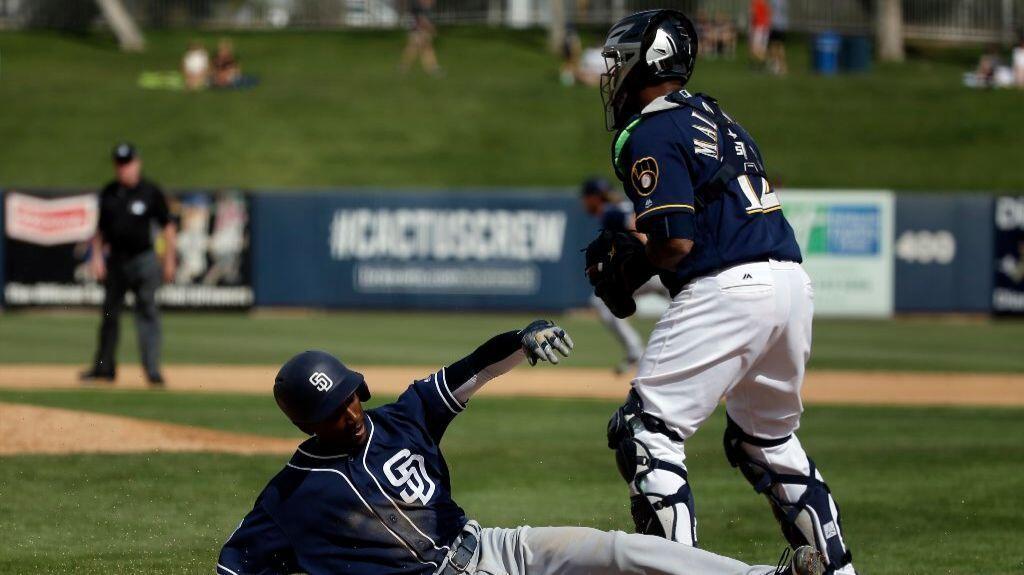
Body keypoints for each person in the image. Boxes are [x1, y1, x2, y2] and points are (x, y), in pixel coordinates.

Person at [216, 319, 826, 575]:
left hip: (494, 548)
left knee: (619, 552)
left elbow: (468, 371)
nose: (349, 413)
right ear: (308, 423)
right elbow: (233, 566)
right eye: (332, 411)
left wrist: (520, 340)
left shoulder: (401, 420)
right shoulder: (291, 497)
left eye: (349, 396)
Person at [591, 10, 857, 574]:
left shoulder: (653, 129)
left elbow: (676, 241)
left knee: (646, 431)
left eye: (619, 61)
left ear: (650, 60)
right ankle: (838, 570)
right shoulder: (713, 114)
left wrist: (628, 270)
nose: (612, 74)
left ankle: (680, 570)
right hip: (790, 282)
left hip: (730, 285)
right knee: (767, 439)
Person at [81, 143, 176, 387]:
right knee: (110, 315)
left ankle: (152, 370)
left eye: (127, 163)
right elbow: (100, 230)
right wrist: (96, 257)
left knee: (147, 314)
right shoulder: (109, 192)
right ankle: (104, 369)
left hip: (144, 260)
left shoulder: (150, 191)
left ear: (137, 163)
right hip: (116, 261)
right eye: (119, 164)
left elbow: (168, 226)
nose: (123, 168)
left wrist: (169, 261)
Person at [580, 177, 646, 374]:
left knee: (601, 301)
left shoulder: (609, 211)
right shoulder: (621, 205)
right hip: (656, 267)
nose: (583, 202)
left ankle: (636, 351)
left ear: (594, 198)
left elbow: (634, 225)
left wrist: (650, 252)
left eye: (585, 198)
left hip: (650, 268)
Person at [401, 0, 441, 75]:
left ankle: (404, 67)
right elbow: (422, 20)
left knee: (417, 48)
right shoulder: (417, 5)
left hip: (418, 28)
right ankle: (432, 68)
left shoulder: (421, 6)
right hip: (417, 29)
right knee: (423, 47)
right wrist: (432, 29)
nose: (433, 2)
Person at [767, 0, 788, 75]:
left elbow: (769, 11)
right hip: (783, 25)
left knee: (772, 46)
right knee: (781, 46)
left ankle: (776, 65)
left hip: (774, 24)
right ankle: (783, 67)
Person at [749, 0, 770, 66]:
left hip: (759, 27)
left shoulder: (756, 2)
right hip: (765, 27)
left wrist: (752, 26)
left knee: (755, 48)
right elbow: (768, 14)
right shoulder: (764, 2)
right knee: (762, 47)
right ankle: (759, 64)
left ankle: (766, 62)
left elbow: (753, 14)